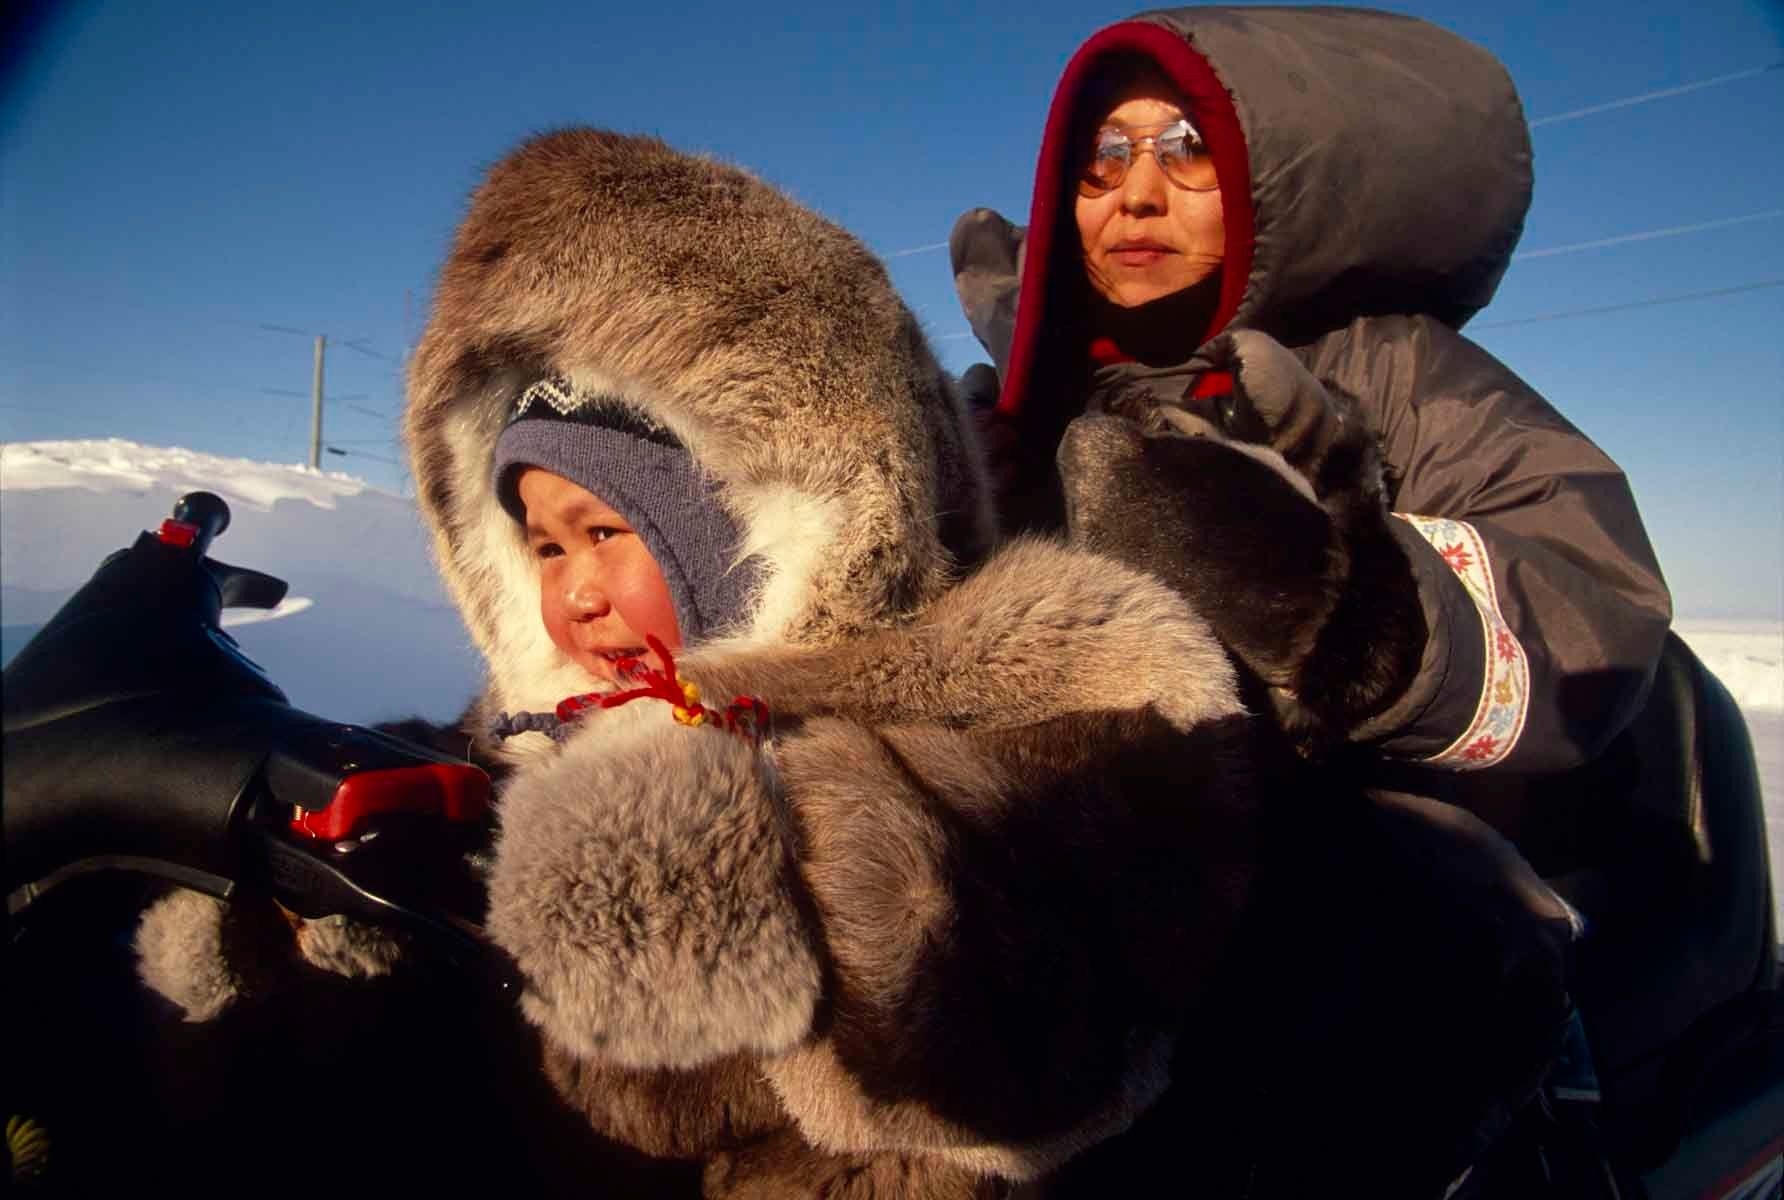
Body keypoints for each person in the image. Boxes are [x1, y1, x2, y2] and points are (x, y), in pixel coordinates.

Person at [951, 6, 1673, 789]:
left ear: (1266, 172)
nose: (1137, 194)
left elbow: (1598, 612)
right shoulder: (1019, 413)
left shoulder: (1394, 370)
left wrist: (1333, 606)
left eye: (1188, 149)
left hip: (1348, 840)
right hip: (1048, 841)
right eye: (1104, 157)